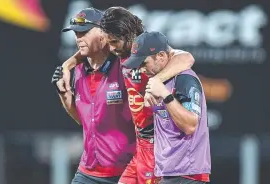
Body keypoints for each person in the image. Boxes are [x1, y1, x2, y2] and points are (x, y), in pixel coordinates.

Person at [61, 6, 195, 184]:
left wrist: (158, 81)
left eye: (113, 41)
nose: (110, 46)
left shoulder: (145, 50)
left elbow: (186, 58)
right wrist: (69, 63)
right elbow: (92, 46)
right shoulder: (118, 52)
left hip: (159, 146)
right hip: (140, 149)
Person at [51, 8, 136, 184]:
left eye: (84, 32)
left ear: (104, 33)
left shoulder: (124, 65)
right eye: (76, 33)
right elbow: (85, 120)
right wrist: (64, 93)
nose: (78, 38)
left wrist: (68, 63)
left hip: (125, 172)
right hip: (88, 171)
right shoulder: (79, 71)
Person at [124, 31, 211, 184]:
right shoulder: (159, 81)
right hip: (168, 173)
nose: (141, 70)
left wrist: (166, 95)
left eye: (144, 63)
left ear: (161, 56)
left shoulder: (184, 79)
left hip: (188, 175)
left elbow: (191, 125)